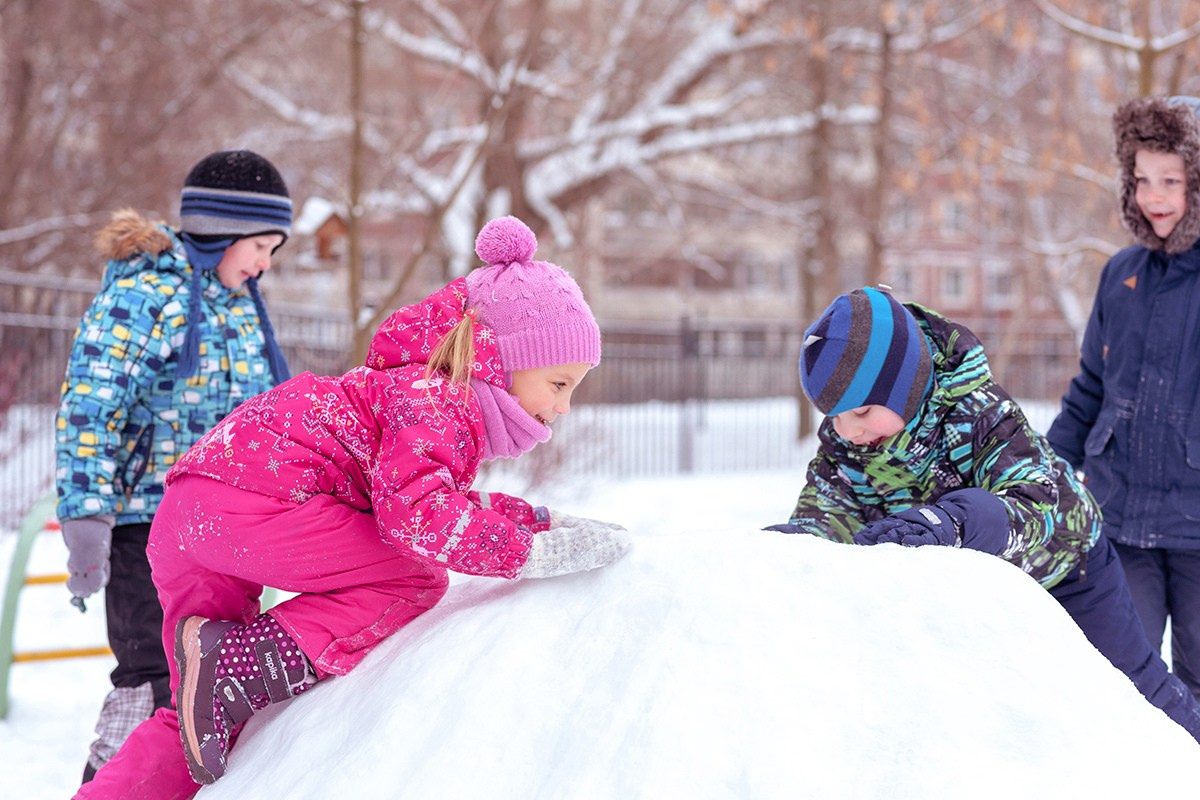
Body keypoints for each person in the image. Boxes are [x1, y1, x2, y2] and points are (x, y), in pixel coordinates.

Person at [75, 215, 632, 799]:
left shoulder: (411, 391)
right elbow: (417, 519)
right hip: (254, 502)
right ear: (505, 359)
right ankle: (236, 665)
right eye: (560, 383)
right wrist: (524, 554)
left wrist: (534, 521)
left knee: (200, 719)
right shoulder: (437, 398)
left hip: (197, 509)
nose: (564, 407)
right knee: (414, 578)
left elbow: (434, 500)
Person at [768, 285, 1200, 743]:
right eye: (832, 415)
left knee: (1131, 689)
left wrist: (955, 520)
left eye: (862, 411)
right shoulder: (846, 449)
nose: (846, 430)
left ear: (905, 386)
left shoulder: (982, 414)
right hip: (982, 595)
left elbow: (1035, 500)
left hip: (1069, 572)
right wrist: (790, 550)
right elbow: (825, 512)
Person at [55, 150, 294, 783]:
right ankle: (108, 789)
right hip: (145, 526)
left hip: (225, 532)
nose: (267, 262)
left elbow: (261, 417)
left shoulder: (241, 305)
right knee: (153, 677)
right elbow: (90, 405)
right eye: (261, 245)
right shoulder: (143, 296)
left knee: (209, 677)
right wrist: (87, 517)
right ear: (221, 229)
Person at [1047, 96, 1200, 705]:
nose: (1154, 196)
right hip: (1121, 523)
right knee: (1118, 682)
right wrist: (1047, 469)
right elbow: (1090, 387)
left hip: (1196, 528)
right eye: (1142, 180)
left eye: (1171, 180)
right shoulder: (1121, 275)